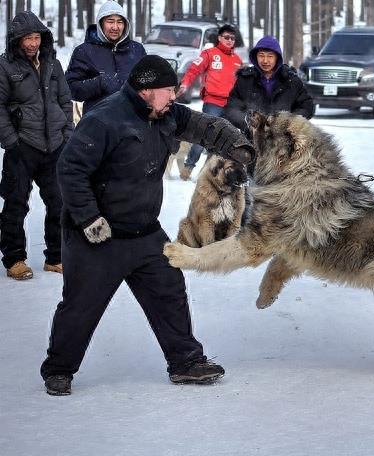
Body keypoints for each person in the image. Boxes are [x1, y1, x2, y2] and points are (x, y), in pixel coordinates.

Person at [40, 55, 255, 396]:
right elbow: (70, 171)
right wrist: (88, 219)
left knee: (169, 291)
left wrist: (241, 147)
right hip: (97, 237)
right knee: (81, 306)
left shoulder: (166, 114)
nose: (175, 96)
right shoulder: (104, 119)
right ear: (145, 91)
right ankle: (59, 369)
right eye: (169, 90)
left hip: (144, 232)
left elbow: (205, 127)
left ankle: (186, 362)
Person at [0, 11, 73, 280]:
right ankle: (15, 259)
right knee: (16, 203)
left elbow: (65, 102)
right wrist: (11, 141)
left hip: (54, 145)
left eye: (36, 37)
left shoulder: (54, 64)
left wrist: (67, 135)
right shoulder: (5, 66)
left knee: (60, 202)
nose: (32, 43)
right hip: (22, 145)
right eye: (26, 38)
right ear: (16, 40)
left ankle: (55, 257)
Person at [176, 24, 243, 181]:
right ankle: (188, 167)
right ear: (219, 38)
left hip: (230, 106)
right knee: (204, 136)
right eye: (226, 37)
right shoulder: (210, 54)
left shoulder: (237, 60)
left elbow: (241, 84)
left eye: (232, 38)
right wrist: (185, 84)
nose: (229, 41)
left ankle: (209, 172)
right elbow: (193, 69)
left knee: (222, 140)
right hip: (212, 102)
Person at [65, 0, 146, 113]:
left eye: (120, 22)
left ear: (125, 24)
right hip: (97, 122)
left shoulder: (137, 50)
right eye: (110, 21)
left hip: (132, 121)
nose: (115, 27)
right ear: (101, 23)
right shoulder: (84, 51)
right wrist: (99, 83)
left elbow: (148, 83)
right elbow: (69, 88)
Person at [223, 35, 314, 134]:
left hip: (283, 139)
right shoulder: (245, 80)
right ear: (255, 56)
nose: (265, 61)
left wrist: (289, 122)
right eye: (261, 55)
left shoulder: (291, 80)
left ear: (277, 58)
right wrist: (247, 122)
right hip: (252, 138)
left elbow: (307, 106)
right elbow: (232, 108)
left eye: (270, 56)